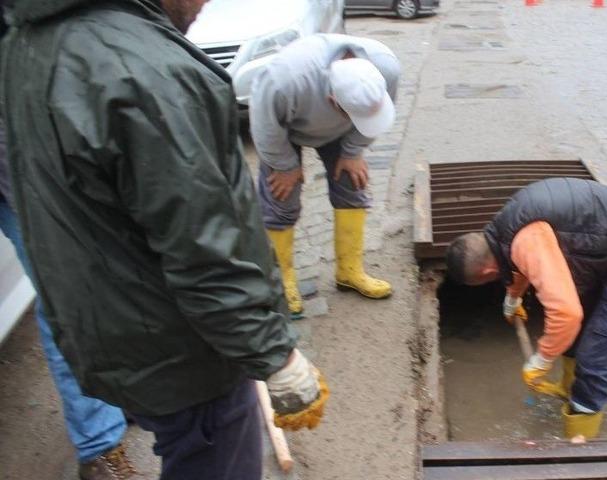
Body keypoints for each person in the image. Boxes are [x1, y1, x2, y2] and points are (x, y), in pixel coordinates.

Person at [1, 1, 328, 479]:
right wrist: (275, 356)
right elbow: (206, 249)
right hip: (181, 352)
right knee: (215, 453)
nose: (204, 4)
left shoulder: (30, 39)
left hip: (107, 324)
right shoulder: (146, 73)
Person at [445, 178, 607, 441]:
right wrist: (513, 298)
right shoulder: (501, 229)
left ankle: (580, 438)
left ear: (486, 272)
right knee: (575, 332)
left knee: (596, 355)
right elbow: (517, 262)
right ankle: (568, 389)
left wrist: (541, 360)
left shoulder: (525, 240)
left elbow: (567, 314)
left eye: (485, 281)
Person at [0, 121, 131, 479]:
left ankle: (120, 396)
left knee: (86, 286)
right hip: (19, 169)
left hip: (23, 159)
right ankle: (100, 446)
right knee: (66, 303)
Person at [250, 33, 400, 317]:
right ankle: (283, 283)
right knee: (281, 200)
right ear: (333, 100)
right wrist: (286, 166)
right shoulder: (285, 80)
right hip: (284, 130)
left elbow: (379, 113)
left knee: (353, 186)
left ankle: (349, 272)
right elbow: (264, 126)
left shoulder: (385, 67)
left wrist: (353, 151)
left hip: (343, 133)